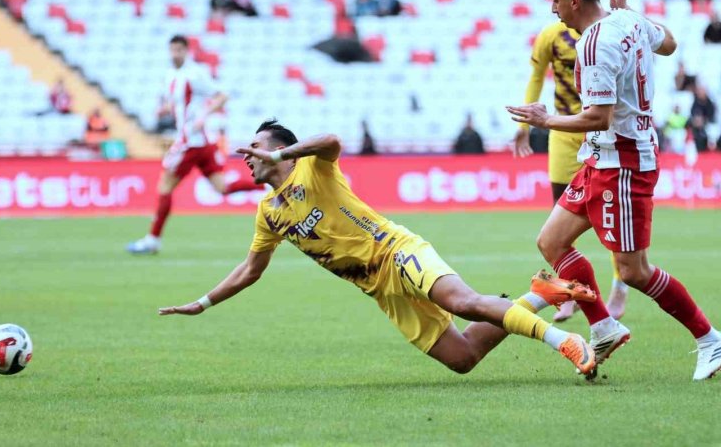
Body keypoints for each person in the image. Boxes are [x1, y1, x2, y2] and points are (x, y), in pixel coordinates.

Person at [158, 119, 599, 378]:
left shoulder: (314, 170)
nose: (247, 157)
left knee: (464, 303)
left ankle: (567, 341)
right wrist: (203, 302)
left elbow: (331, 140)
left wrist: (285, 153)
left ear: (281, 152)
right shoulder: (268, 212)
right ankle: (543, 293)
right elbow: (250, 269)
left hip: (397, 251)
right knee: (462, 358)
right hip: (378, 288)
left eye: (255, 149)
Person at [507, 0, 721, 381]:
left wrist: (545, 121)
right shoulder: (627, 19)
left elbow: (598, 117)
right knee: (551, 241)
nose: (552, 8)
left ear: (574, 1)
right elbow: (669, 42)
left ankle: (709, 337)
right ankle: (604, 326)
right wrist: (630, 9)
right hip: (601, 159)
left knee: (633, 271)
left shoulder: (593, 46)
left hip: (625, 165)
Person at [514, 18, 629, 322]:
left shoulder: (605, 35)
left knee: (611, 216)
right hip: (564, 133)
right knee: (559, 218)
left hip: (600, 129)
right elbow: (537, 77)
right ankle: (571, 290)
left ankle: (620, 284)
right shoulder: (550, 36)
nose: (554, 7)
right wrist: (525, 124)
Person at [127, 36, 262, 255]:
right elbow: (179, 104)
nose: (175, 54)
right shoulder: (172, 75)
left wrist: (204, 115)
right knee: (222, 188)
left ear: (187, 51)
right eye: (172, 50)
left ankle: (153, 239)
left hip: (190, 141)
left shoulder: (195, 73)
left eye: (179, 50)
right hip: (203, 143)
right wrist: (166, 108)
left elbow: (221, 96)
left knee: (164, 186)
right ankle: (265, 185)